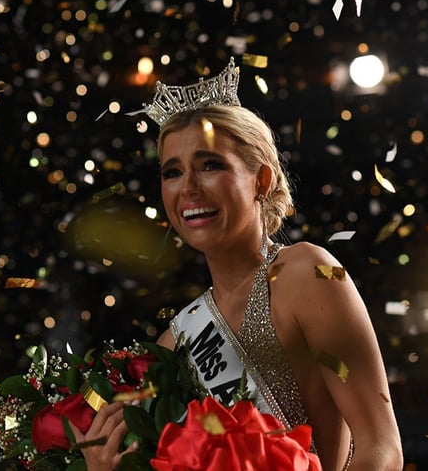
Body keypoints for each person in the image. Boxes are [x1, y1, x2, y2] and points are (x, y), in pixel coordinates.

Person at [72, 59, 403, 471]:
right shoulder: (174, 342)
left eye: (210, 165)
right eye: (172, 172)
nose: (189, 187)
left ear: (261, 181)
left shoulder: (308, 273)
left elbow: (382, 451)